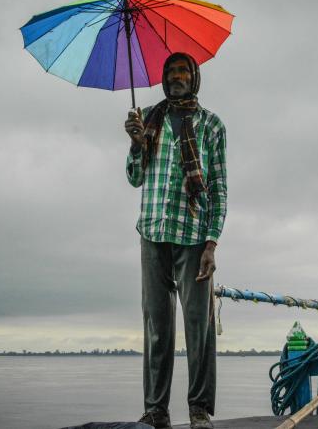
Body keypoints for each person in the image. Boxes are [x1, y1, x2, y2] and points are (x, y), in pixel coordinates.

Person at [125, 52, 228, 429]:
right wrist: (137, 144)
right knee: (157, 326)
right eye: (169, 71)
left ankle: (199, 409)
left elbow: (218, 189)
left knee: (198, 325)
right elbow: (135, 178)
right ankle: (156, 410)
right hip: (152, 231)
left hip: (192, 235)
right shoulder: (148, 120)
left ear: (195, 77)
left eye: (183, 70)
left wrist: (211, 244)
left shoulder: (211, 125)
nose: (176, 76)